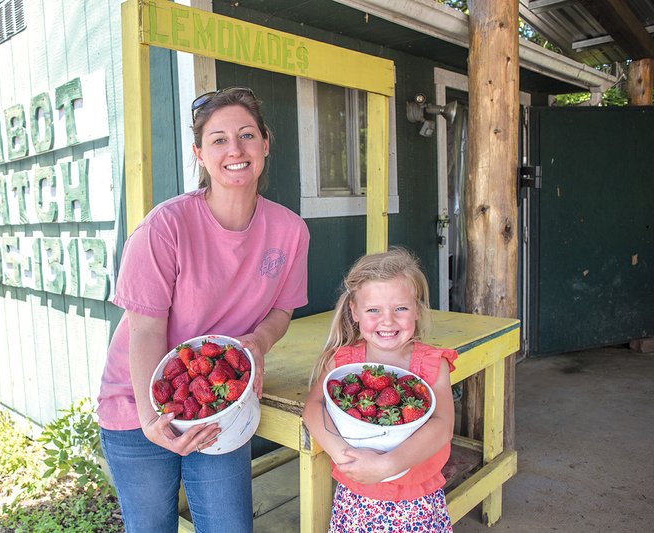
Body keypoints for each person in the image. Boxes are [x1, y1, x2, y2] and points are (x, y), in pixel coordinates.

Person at [97, 87, 310, 533]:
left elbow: (282, 311)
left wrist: (259, 340)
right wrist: (151, 415)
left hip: (222, 403)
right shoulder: (165, 226)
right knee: (151, 526)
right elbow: (146, 330)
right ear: (199, 153)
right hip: (138, 401)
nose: (235, 149)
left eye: (247, 135)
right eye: (218, 139)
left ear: (266, 144)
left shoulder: (290, 230)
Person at [302, 248, 457, 532]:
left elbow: (442, 426)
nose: (387, 321)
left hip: (416, 500)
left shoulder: (433, 364)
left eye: (400, 308)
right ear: (354, 312)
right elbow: (313, 407)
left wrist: (388, 466)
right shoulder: (343, 361)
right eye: (374, 310)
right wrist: (343, 454)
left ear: (418, 311)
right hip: (356, 497)